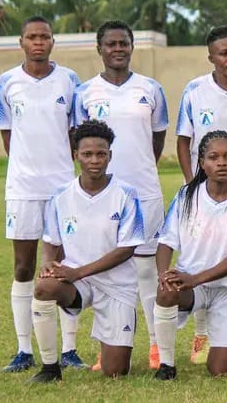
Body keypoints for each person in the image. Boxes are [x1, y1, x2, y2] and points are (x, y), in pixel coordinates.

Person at [0, 16, 87, 372]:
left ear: (52, 41)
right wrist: (27, 168)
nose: (38, 42)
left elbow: (76, 133)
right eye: (31, 37)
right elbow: (8, 136)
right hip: (22, 188)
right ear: (21, 42)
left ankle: (69, 349)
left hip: (62, 188)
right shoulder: (6, 82)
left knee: (62, 266)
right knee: (23, 267)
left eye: (44, 36)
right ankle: (24, 350)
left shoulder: (70, 80)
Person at [74, 20, 169, 370]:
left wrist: (139, 168)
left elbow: (156, 139)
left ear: (132, 46)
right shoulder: (85, 92)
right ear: (99, 49)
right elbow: (81, 141)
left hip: (144, 192)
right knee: (108, 274)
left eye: (124, 43)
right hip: (103, 196)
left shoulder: (151, 89)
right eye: (111, 44)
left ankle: (157, 346)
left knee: (147, 272)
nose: (118, 49)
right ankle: (110, 344)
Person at [28, 119, 145, 382]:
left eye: (101, 154)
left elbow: (127, 249)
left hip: (117, 285)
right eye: (87, 154)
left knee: (115, 372)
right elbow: (51, 240)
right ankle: (50, 368)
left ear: (110, 156)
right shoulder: (60, 196)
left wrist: (78, 272)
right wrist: (47, 263)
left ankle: (112, 343)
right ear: (75, 155)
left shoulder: (127, 194)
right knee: (44, 287)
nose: (94, 160)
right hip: (77, 282)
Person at [153, 130, 227, 380]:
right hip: (191, 286)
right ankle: (166, 365)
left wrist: (194, 279)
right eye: (214, 157)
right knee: (166, 290)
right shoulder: (186, 196)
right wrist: (163, 275)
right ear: (202, 163)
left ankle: (224, 344)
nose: (221, 163)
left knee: (222, 370)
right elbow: (166, 242)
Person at [175, 27, 227, 366]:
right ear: (211, 57)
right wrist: (191, 185)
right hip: (204, 192)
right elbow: (183, 140)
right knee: (202, 257)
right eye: (224, 53)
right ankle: (201, 336)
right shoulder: (195, 90)